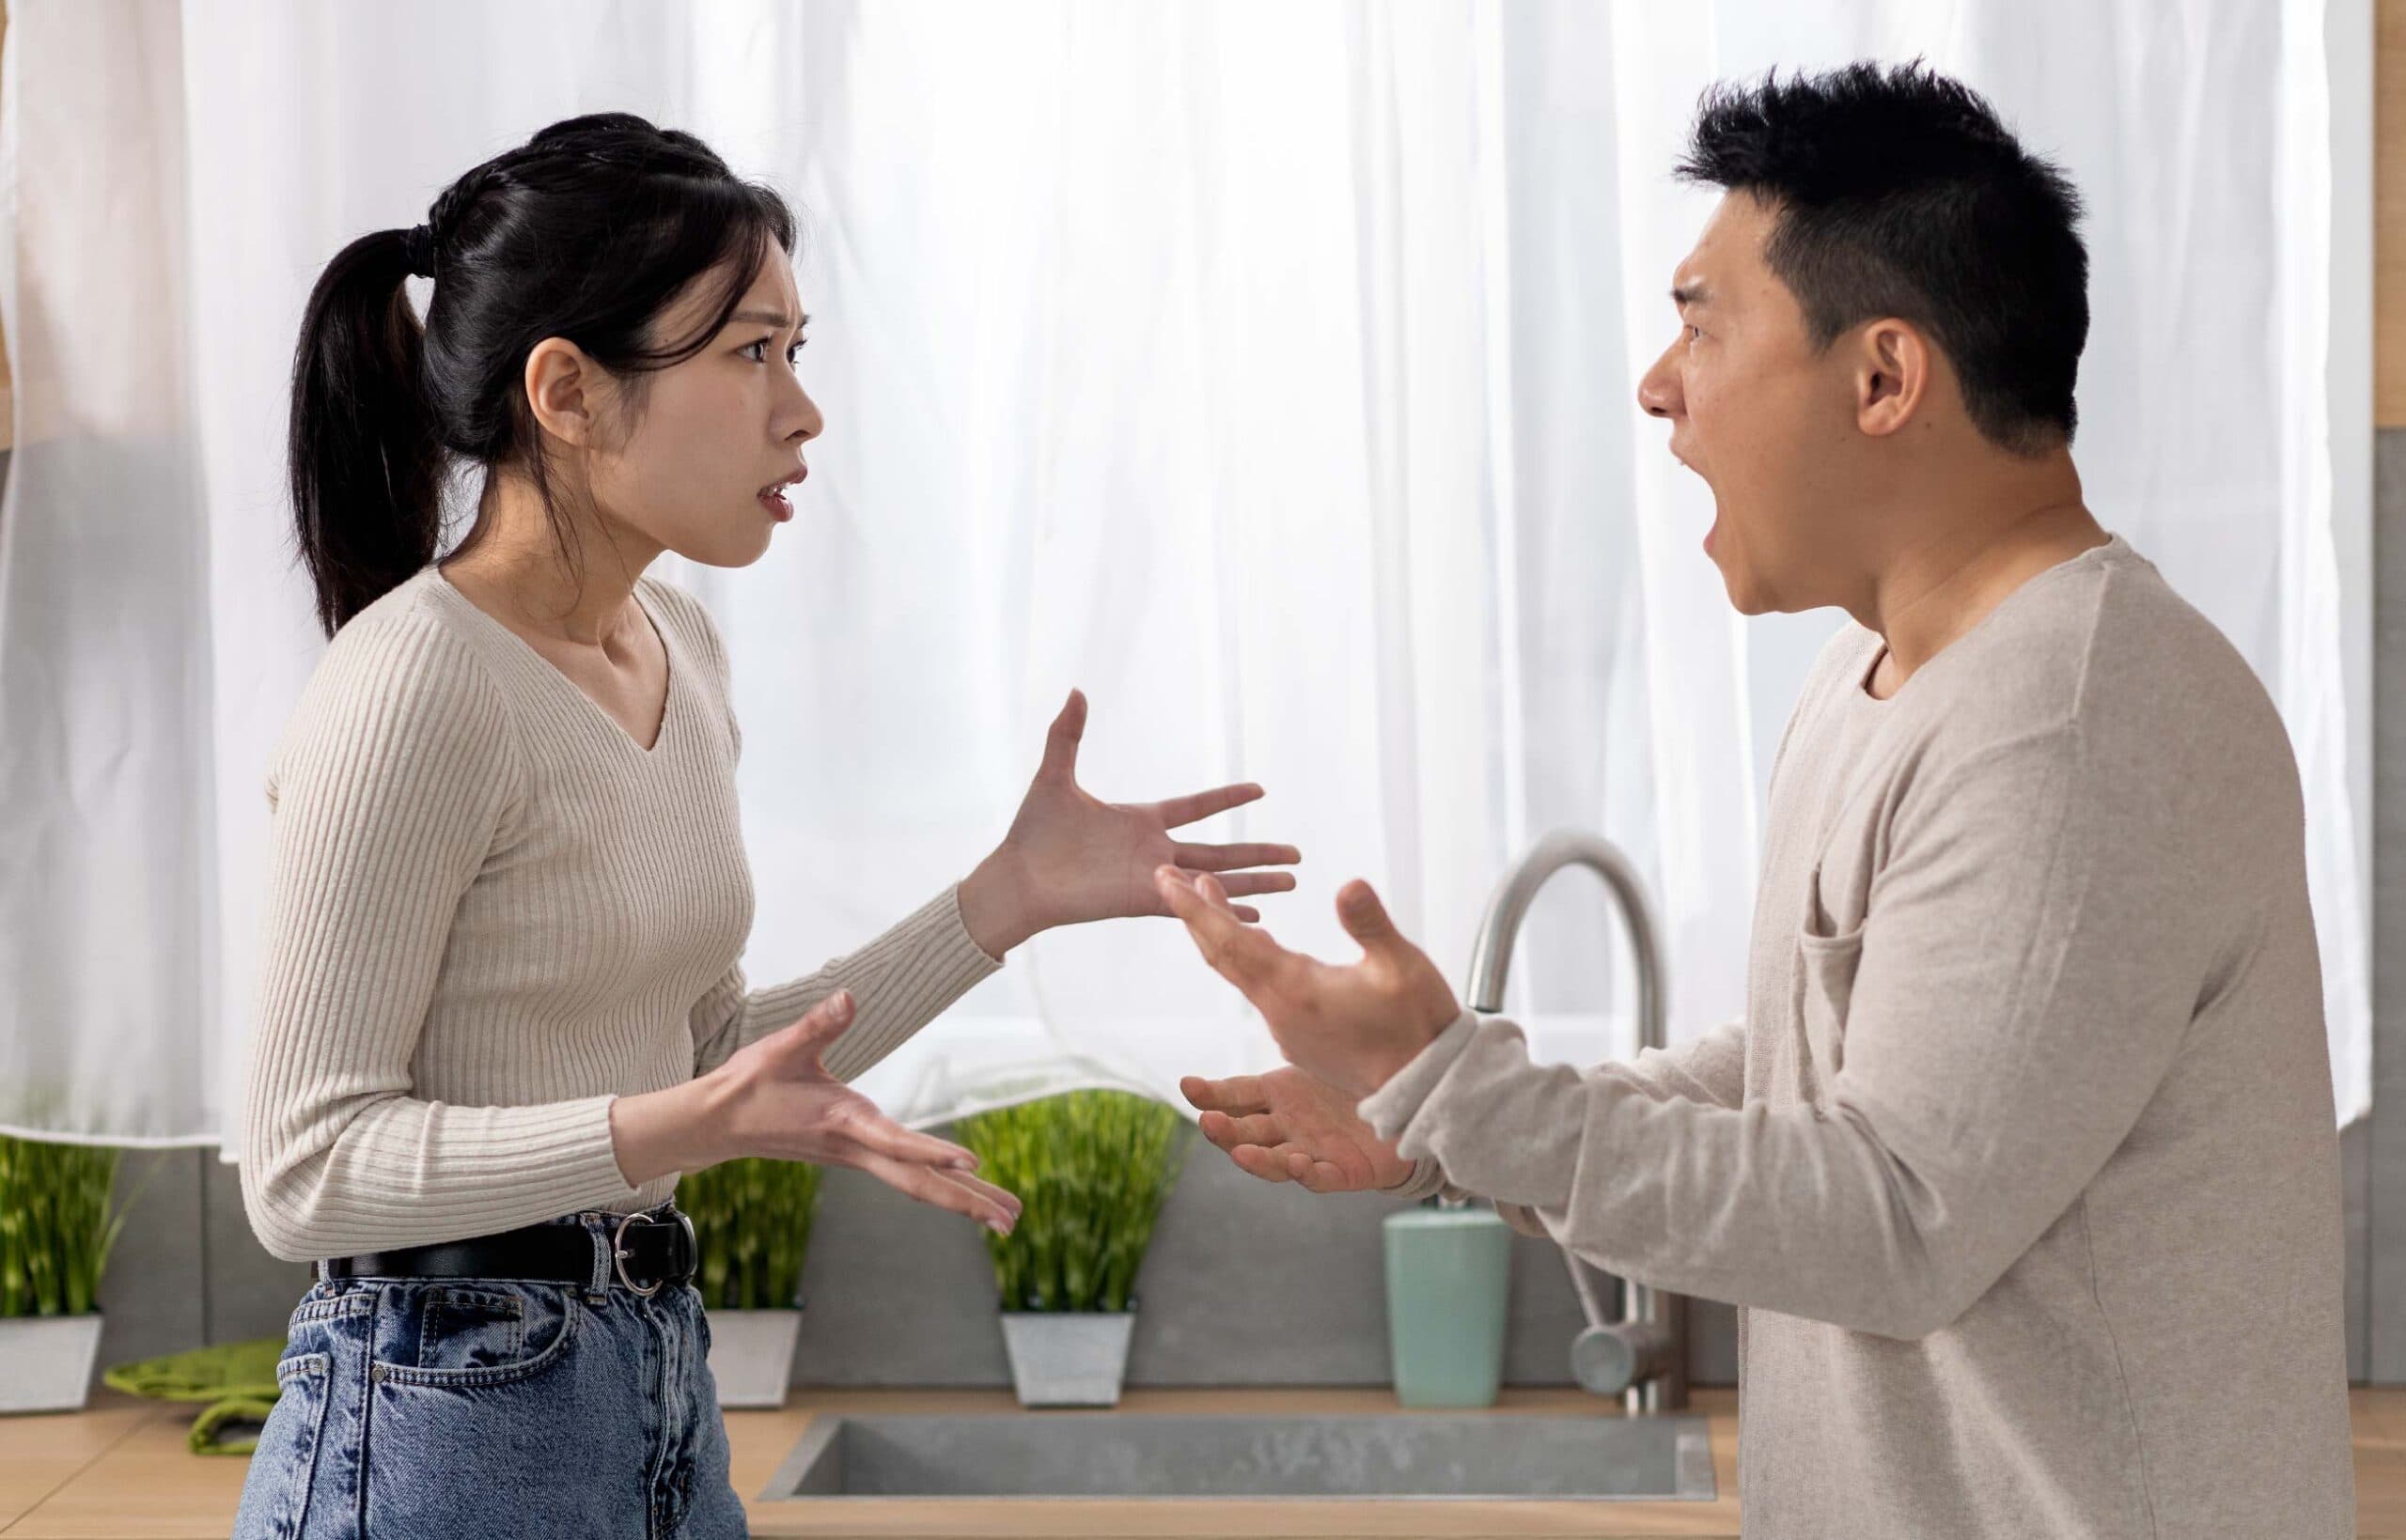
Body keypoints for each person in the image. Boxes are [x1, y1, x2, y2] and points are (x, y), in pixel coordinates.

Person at [1164, 62, 2354, 1538]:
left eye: (1699, 324)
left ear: (1883, 378)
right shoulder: (1893, 672)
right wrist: (1445, 1121)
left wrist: (1465, 1091)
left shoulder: (2076, 712)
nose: (1660, 384)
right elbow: (1811, 1075)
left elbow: (1898, 1214)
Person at [232, 113, 1300, 1540]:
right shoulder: (413, 685)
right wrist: (687, 1121)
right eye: (750, 353)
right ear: (567, 390)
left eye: (799, 352)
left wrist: (1009, 898)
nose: (801, 412)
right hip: (435, 1417)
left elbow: (719, 1065)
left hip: (651, 1376)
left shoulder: (677, 646)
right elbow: (306, 1173)